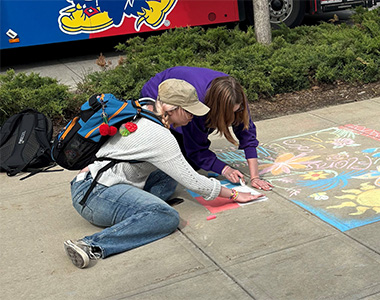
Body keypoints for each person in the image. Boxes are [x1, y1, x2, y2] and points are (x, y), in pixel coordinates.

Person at [64, 79, 264, 269]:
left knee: (168, 176)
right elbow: (194, 182)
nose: (194, 117)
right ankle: (90, 246)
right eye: (189, 111)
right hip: (95, 196)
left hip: (100, 181)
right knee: (166, 217)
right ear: (172, 108)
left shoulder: (144, 107)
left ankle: (141, 210)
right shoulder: (159, 136)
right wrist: (236, 195)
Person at [141, 66, 273, 191]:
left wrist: (255, 177)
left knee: (196, 162)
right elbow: (196, 150)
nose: (233, 117)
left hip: (190, 95)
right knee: (184, 163)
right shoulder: (196, 109)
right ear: (216, 110)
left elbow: (246, 132)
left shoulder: (233, 94)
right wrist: (225, 169)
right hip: (161, 94)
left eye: (236, 110)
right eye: (228, 114)